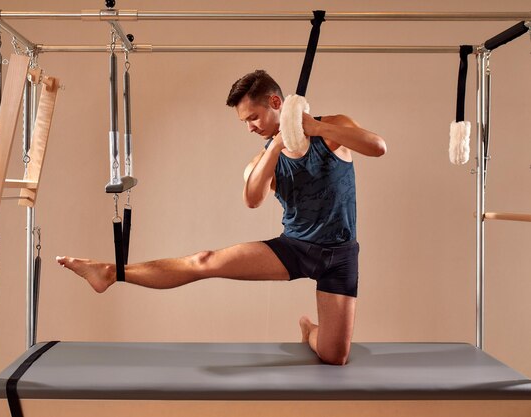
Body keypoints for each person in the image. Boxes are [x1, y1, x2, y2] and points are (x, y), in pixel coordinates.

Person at [57, 70, 386, 366]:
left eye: (253, 117)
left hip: (340, 256)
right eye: (244, 121)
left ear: (276, 102)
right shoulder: (262, 158)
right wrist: (274, 148)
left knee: (334, 356)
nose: (250, 127)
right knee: (205, 261)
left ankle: (308, 329)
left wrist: (313, 126)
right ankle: (111, 272)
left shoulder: (333, 130)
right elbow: (252, 199)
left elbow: (377, 146)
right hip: (295, 249)